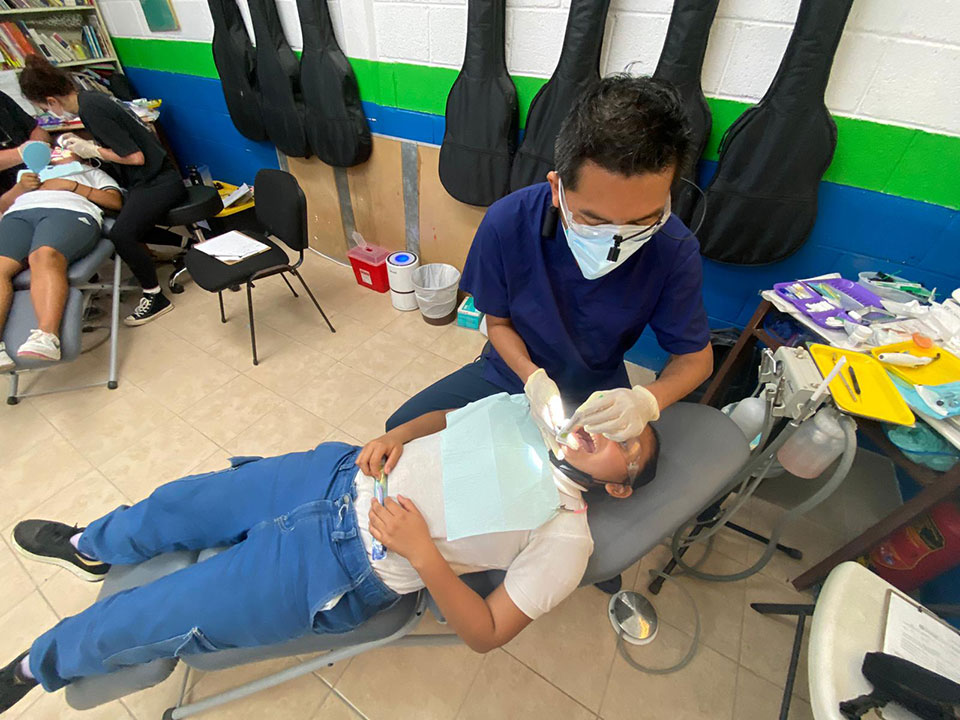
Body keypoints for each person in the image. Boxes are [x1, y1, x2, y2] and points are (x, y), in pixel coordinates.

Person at [0, 395, 658, 713]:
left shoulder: (567, 538)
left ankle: (37, 666)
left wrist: (425, 557)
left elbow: (486, 634)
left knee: (160, 614)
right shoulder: (531, 418)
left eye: (629, 444)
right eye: (616, 420)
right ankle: (92, 545)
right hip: (332, 474)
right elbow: (448, 419)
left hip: (342, 566)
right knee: (179, 504)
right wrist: (396, 434)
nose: (611, 430)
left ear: (619, 485)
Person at [387, 75, 713, 455]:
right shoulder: (507, 222)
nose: (617, 239)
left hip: (598, 392)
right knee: (401, 433)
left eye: (643, 220)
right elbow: (498, 323)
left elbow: (696, 359)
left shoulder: (673, 248)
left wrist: (646, 400)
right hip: (514, 373)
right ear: (557, 187)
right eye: (594, 220)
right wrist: (532, 378)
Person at [18, 56, 186, 327]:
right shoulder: (89, 101)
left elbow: (135, 158)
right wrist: (84, 154)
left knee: (121, 234)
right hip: (147, 180)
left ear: (51, 100)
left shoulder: (92, 108)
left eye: (43, 108)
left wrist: (93, 150)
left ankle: (155, 297)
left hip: (159, 181)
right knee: (111, 219)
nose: (49, 114)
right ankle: (186, 247)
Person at [0, 160, 122, 369]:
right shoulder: (32, 172)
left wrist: (73, 187)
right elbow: (3, 206)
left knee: (43, 256)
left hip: (69, 210)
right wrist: (19, 188)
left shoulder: (90, 171)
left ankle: (47, 337)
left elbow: (115, 202)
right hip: (18, 215)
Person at [0, 90, 52, 195]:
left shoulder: (1, 98)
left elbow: (36, 129)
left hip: (38, 175)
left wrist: (38, 146)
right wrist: (23, 153)